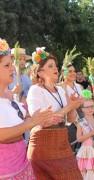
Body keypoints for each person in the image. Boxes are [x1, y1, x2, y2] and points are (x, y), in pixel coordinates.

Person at [0, 38, 55, 179]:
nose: (12, 68)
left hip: (22, 166)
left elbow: (21, 121)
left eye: (12, 64)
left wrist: (40, 118)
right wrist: (31, 122)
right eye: (7, 65)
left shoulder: (9, 97)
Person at [26, 47, 83, 179]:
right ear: (39, 72)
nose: (55, 69)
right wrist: (69, 107)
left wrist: (73, 106)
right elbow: (42, 121)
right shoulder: (35, 90)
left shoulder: (61, 91)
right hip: (42, 145)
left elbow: (71, 118)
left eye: (55, 66)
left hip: (62, 143)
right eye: (50, 66)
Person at [76, 90, 94, 180]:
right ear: (82, 109)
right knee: (88, 172)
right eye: (87, 107)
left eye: (92, 106)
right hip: (86, 151)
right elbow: (79, 139)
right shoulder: (81, 122)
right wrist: (91, 133)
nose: (90, 109)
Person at [60, 63, 83, 153]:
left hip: (81, 120)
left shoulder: (79, 86)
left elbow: (83, 104)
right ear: (63, 73)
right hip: (68, 122)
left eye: (74, 71)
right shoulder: (60, 87)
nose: (73, 73)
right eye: (70, 71)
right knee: (71, 149)